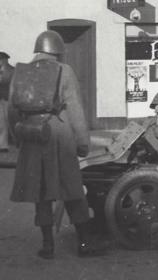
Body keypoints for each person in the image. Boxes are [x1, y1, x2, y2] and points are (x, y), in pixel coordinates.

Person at [8, 30, 104, 259]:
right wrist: (82, 143)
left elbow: (12, 110)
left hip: (32, 136)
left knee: (41, 194)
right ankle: (84, 243)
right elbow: (75, 110)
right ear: (58, 50)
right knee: (72, 190)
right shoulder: (64, 71)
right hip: (58, 136)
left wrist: (20, 136)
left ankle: (47, 245)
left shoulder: (22, 71)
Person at [0, 52, 14, 152]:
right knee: (3, 122)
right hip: (3, 98)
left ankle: (5, 145)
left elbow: (4, 81)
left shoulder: (9, 70)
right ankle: (3, 145)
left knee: (6, 121)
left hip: (6, 98)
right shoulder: (10, 69)